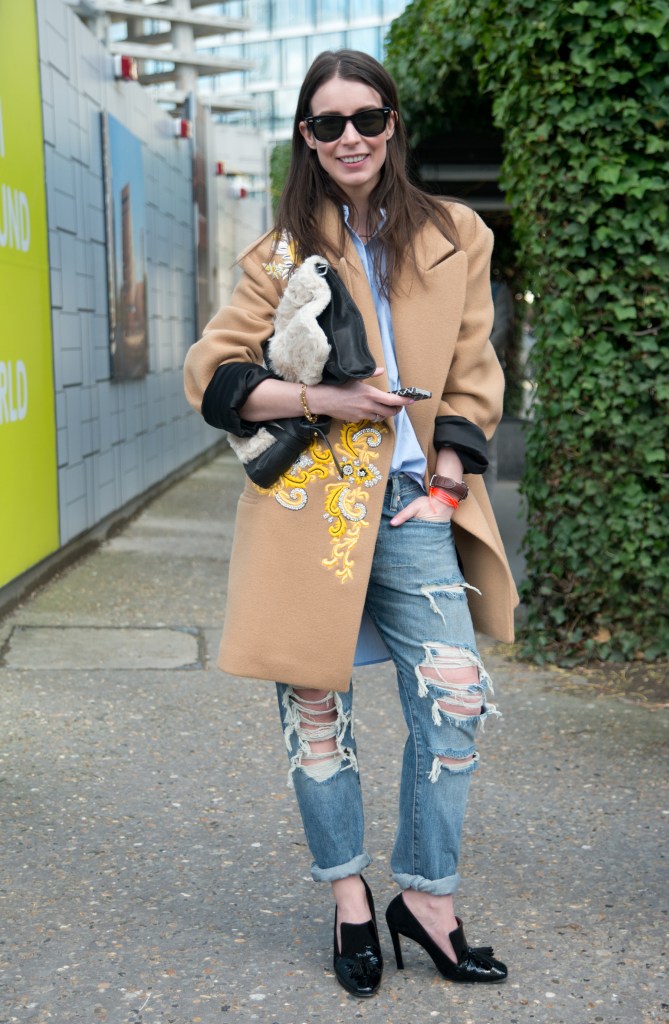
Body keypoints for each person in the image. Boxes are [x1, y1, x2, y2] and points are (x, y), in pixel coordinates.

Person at [184, 49, 518, 999]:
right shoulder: (278, 253)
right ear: (306, 137)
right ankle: (349, 902)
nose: (349, 139)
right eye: (327, 124)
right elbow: (210, 373)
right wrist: (319, 396)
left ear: (391, 124)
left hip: (412, 509)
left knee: (452, 702)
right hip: (305, 522)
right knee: (317, 722)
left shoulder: (455, 233)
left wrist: (446, 482)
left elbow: (470, 371)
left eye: (365, 118)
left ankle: (428, 900)